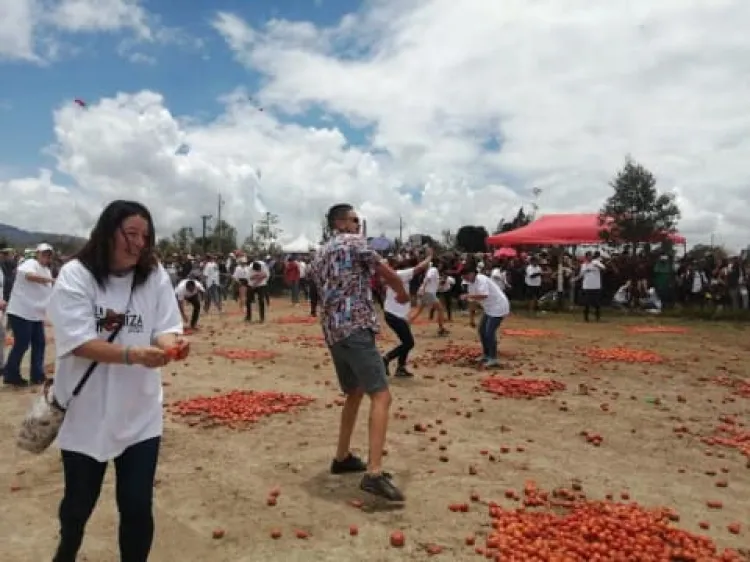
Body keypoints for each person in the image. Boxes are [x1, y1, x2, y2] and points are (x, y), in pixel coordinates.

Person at [47, 200, 189, 562]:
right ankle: (67, 549)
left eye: (145, 236)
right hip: (85, 412)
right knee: (79, 504)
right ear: (107, 232)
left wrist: (172, 345)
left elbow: (165, 327)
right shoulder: (76, 275)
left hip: (139, 413)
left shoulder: (153, 275)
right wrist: (133, 354)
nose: (139, 243)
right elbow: (77, 341)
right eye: (131, 234)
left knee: (138, 506)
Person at [310, 203, 409, 502]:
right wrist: (402, 293)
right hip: (354, 326)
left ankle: (342, 457)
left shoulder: (319, 253)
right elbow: (386, 272)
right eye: (355, 220)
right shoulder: (354, 242)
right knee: (381, 395)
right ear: (340, 222)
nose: (358, 225)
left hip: (333, 330)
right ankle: (374, 473)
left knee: (354, 391)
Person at [3, 242, 55, 387]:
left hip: (35, 314)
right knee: (22, 344)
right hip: (21, 312)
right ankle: (11, 374)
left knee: (40, 343)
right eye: (44, 253)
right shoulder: (30, 263)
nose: (46, 257)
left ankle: (37, 375)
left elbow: (47, 294)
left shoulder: (47, 270)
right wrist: (52, 280)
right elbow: (30, 276)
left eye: (49, 254)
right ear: (37, 254)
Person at [382, 250, 433, 377]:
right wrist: (429, 257)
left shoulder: (396, 274)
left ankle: (401, 368)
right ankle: (386, 359)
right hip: (395, 315)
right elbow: (419, 268)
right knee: (409, 343)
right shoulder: (401, 273)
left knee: (406, 341)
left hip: (395, 314)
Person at [461, 262, 511, 368]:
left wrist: (468, 296)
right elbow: (472, 302)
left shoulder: (481, 279)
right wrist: (471, 318)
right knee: (481, 330)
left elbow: (484, 295)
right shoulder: (470, 285)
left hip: (499, 306)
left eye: (467, 275)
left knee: (489, 332)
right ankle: (486, 355)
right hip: (489, 308)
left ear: (473, 273)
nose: (466, 278)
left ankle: (493, 358)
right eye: (464, 277)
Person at [579, 251, 605, 322]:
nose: (590, 257)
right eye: (588, 256)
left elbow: (603, 268)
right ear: (586, 257)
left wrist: (597, 266)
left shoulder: (596, 262)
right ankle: (586, 317)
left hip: (596, 286)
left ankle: (597, 317)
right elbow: (581, 275)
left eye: (591, 256)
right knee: (587, 303)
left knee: (597, 303)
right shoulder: (583, 265)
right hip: (587, 286)